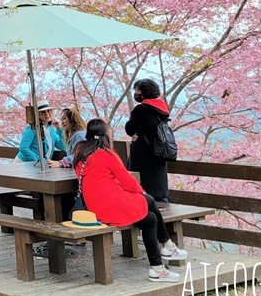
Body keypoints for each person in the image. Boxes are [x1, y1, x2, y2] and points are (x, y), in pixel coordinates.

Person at [74, 118, 187, 283]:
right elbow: (127, 180)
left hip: (95, 207)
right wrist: (142, 192)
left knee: (151, 219)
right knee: (148, 199)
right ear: (104, 135)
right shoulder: (107, 154)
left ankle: (157, 267)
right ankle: (167, 245)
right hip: (111, 205)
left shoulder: (80, 152)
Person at [126, 78, 172, 203]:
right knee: (160, 197)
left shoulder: (140, 110)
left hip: (143, 156)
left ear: (144, 92)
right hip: (159, 155)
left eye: (137, 91)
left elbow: (130, 129)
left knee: (142, 194)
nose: (135, 94)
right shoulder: (163, 109)